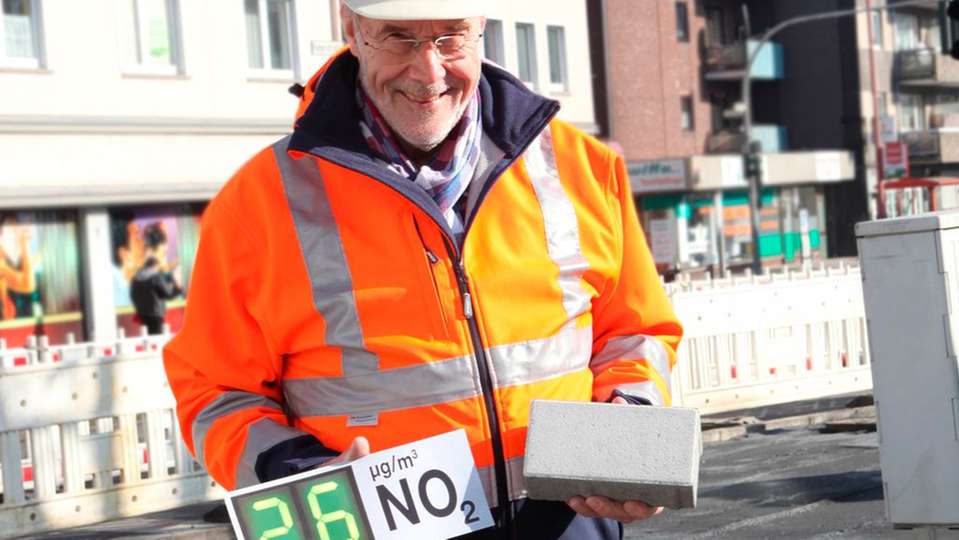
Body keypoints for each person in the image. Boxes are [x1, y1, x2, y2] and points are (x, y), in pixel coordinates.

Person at [163, 1, 683, 538]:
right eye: (400, 38)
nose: (428, 71)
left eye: (451, 38)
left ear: (481, 28)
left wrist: (631, 426)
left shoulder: (582, 167)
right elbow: (215, 393)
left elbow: (636, 332)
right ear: (352, 30)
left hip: (571, 525)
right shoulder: (260, 203)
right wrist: (301, 474)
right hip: (370, 527)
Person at [130, 222, 181, 335]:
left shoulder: (137, 277)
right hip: (155, 316)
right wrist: (178, 286)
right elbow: (168, 294)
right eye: (163, 253)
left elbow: (133, 296)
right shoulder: (155, 277)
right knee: (157, 343)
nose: (165, 258)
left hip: (143, 316)